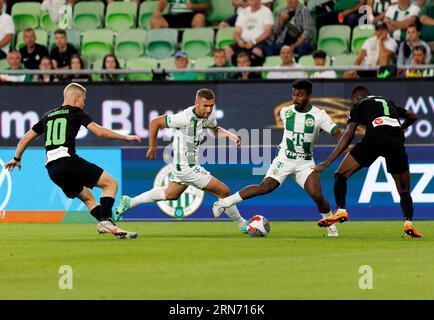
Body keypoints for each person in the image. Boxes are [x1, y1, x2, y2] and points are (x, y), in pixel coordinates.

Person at [3, 83, 141, 239]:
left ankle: (111, 228)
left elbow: (24, 139)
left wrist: (17, 158)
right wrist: (125, 137)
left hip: (53, 170)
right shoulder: (75, 112)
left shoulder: (47, 116)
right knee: (111, 184)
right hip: (68, 162)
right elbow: (100, 132)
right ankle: (106, 222)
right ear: (77, 98)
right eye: (84, 99)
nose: (84, 103)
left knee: (88, 198)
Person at [213, 80, 344, 237]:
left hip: (305, 162)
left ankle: (331, 227)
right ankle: (223, 203)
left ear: (309, 95)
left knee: (316, 194)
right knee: (266, 186)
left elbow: (337, 134)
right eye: (293, 94)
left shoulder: (319, 116)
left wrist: (341, 144)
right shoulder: (286, 112)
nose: (295, 98)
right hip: (284, 159)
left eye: (300, 95)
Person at [115, 89, 249, 234]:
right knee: (224, 191)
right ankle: (242, 224)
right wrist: (153, 147)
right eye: (205, 106)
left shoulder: (208, 115)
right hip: (187, 167)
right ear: (196, 103)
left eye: (211, 105)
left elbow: (214, 130)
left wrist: (231, 136)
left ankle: (130, 202)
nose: (209, 109)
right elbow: (155, 122)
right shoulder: (184, 118)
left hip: (185, 165)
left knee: (171, 194)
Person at [314, 85, 422, 238]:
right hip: (396, 141)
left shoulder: (358, 104)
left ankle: (341, 210)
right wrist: (399, 129)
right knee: (404, 190)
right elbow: (412, 116)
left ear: (356, 98)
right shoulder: (388, 102)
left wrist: (328, 161)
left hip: (374, 139)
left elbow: (348, 135)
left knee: (341, 174)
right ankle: (408, 223)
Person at [224, 0, 274, 66]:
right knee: (227, 49)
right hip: (244, 42)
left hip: (260, 42)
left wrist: (253, 42)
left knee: (257, 51)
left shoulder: (266, 11)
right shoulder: (243, 12)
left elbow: (268, 32)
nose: (255, 2)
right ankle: (234, 73)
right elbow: (236, 32)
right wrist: (239, 40)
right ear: (248, 1)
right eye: (252, 0)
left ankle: (254, 74)